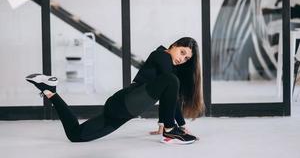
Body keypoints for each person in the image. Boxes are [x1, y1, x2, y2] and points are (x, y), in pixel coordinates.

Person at [26, 37, 205, 144]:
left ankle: (50, 91)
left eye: (187, 58)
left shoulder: (168, 70)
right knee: (172, 80)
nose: (183, 59)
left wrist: (172, 124)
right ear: (173, 45)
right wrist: (173, 125)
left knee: (76, 135)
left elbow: (168, 95)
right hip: (127, 101)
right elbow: (170, 88)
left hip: (123, 110)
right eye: (182, 53)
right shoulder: (162, 55)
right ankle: (169, 130)